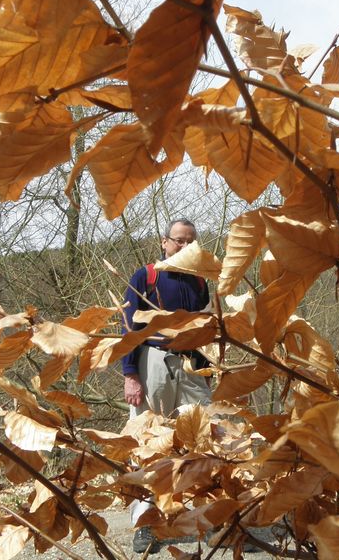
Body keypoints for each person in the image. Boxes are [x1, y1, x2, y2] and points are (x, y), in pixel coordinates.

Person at [121, 219, 212, 554]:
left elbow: (204, 327)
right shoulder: (145, 276)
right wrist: (130, 373)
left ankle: (205, 517)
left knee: (202, 438)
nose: (185, 247)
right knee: (147, 441)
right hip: (152, 361)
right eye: (179, 241)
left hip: (192, 367)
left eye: (191, 242)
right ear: (164, 242)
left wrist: (208, 370)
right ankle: (145, 524)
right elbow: (129, 325)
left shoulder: (201, 281)